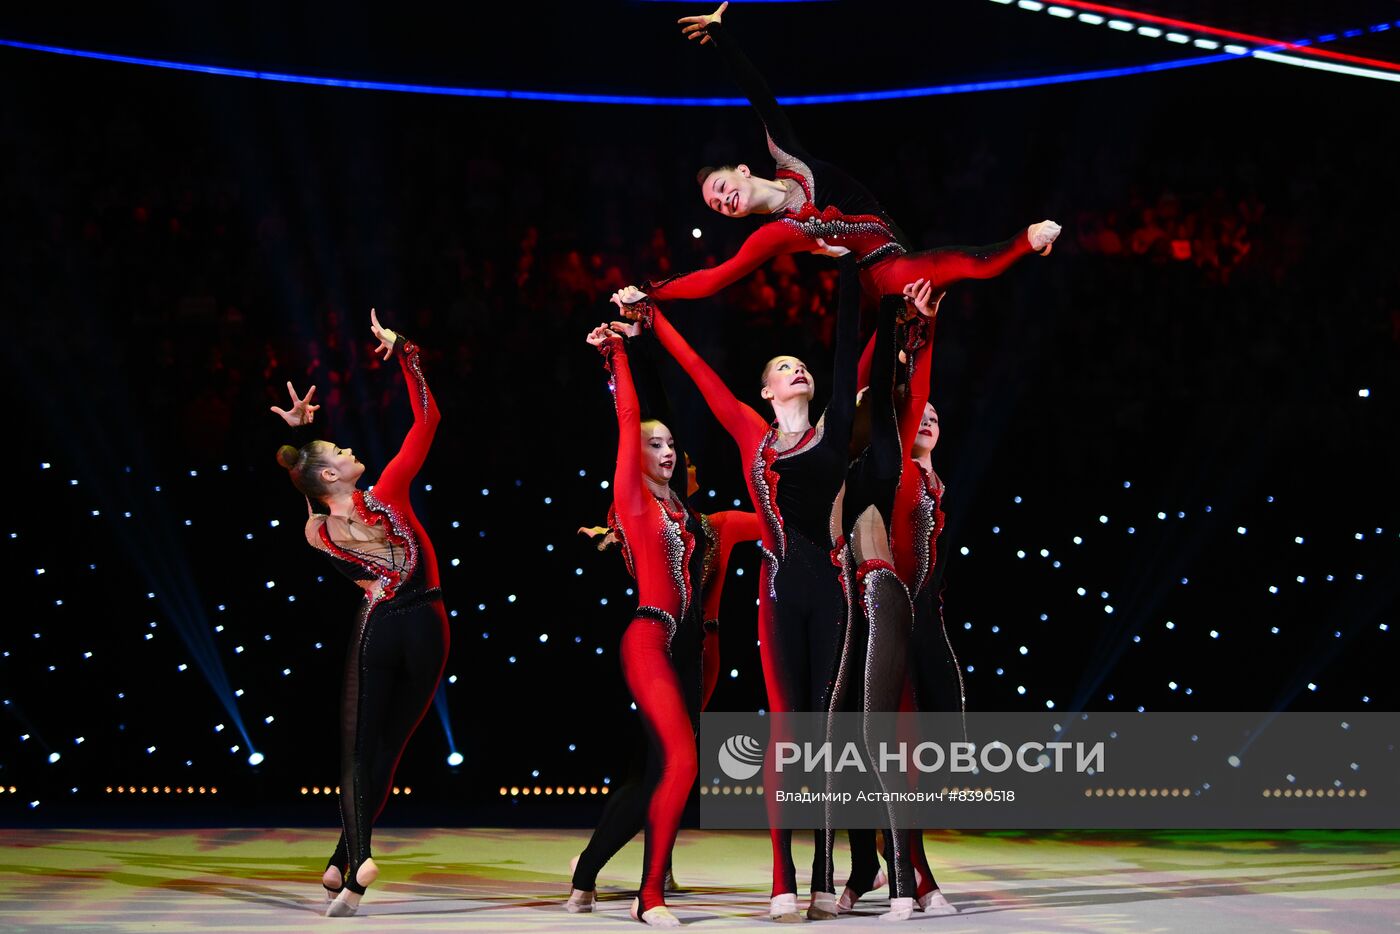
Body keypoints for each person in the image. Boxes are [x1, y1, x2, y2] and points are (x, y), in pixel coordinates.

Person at [612, 256, 861, 921]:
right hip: (780, 592)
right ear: (766, 390)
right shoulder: (752, 435)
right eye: (782, 368)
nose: (796, 370)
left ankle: (824, 871)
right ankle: (782, 879)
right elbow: (698, 373)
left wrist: (863, 284)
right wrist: (652, 316)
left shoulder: (835, 429)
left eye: (799, 366)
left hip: (834, 591)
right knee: (786, 734)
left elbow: (855, 355)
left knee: (830, 737)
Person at [622, 3, 1059, 305]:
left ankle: (1023, 242)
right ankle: (1025, 239)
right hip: (883, 275)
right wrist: (650, 289)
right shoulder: (774, 234)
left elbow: (759, 95)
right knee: (962, 267)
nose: (722, 201)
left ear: (741, 170)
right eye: (717, 206)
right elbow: (716, 278)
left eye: (720, 188)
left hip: (898, 255)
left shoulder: (788, 156)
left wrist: (721, 38)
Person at [271, 310, 448, 917]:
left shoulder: (316, 528)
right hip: (423, 620)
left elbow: (310, 488)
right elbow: (428, 419)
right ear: (328, 474)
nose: (350, 449)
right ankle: (353, 858)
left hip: (389, 623)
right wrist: (406, 352)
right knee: (381, 747)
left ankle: (352, 852)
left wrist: (299, 441)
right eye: (338, 450)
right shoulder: (381, 494)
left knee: (365, 746)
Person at [579, 321, 706, 927]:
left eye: (671, 445)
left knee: (656, 770)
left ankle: (588, 874)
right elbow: (630, 420)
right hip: (649, 636)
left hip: (685, 647)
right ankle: (648, 896)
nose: (666, 451)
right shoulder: (632, 497)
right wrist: (619, 354)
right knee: (680, 760)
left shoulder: (684, 511)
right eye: (656, 445)